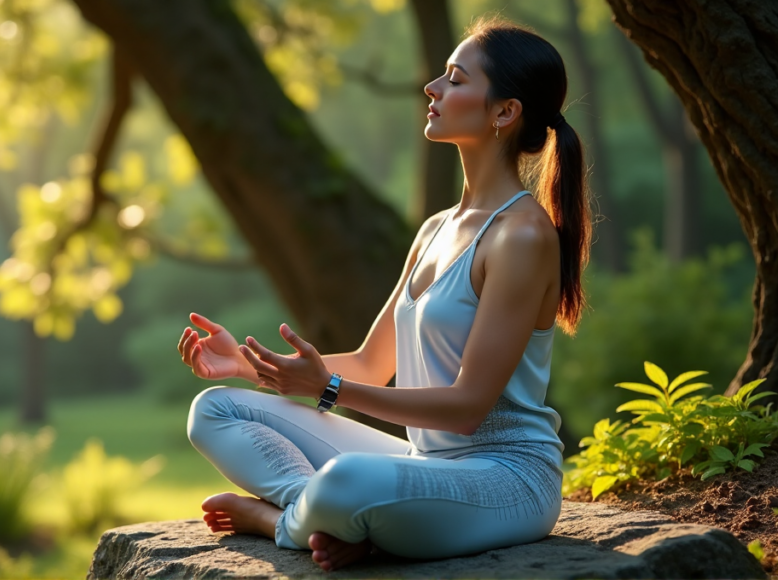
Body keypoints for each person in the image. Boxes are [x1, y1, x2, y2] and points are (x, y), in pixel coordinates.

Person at [178, 15, 591, 573]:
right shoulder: (436, 229)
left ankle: (280, 521)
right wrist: (251, 368)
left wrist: (328, 389)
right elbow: (373, 365)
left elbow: (468, 409)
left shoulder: (521, 235)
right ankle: (334, 518)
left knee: (348, 479)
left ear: (504, 111)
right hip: (424, 463)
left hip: (506, 480)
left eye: (455, 78)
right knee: (215, 409)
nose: (432, 88)